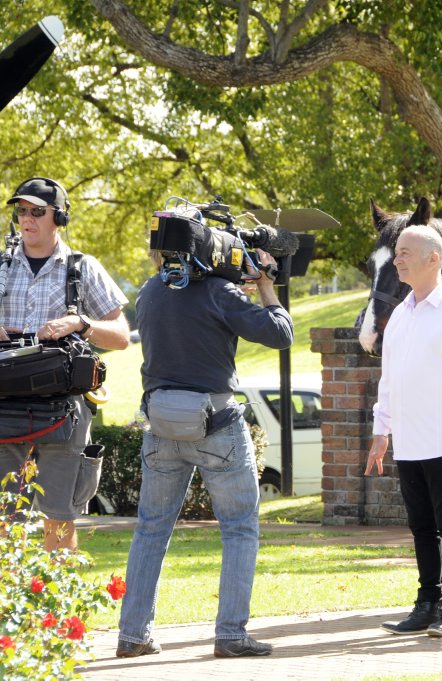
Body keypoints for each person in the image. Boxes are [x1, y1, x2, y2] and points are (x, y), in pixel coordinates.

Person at [115, 244, 293, 659]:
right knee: (239, 528)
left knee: (150, 530)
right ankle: (230, 634)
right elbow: (279, 333)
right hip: (216, 425)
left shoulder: (150, 291)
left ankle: (132, 635)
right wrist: (265, 284)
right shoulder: (218, 292)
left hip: (160, 424)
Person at [0, 176, 129, 551]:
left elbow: (120, 335)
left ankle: (54, 608)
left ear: (59, 219)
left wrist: (80, 323)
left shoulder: (83, 267)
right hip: (0, 407)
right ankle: (4, 608)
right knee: (2, 517)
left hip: (63, 410)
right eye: (21, 211)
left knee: (59, 519)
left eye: (37, 211)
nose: (27, 219)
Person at [367, 225, 442, 638]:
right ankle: (426, 603)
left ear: (433, 258)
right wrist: (381, 430)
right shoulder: (400, 314)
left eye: (405, 252)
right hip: (408, 442)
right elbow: (390, 378)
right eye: (397, 252)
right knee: (421, 527)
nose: (397, 259)